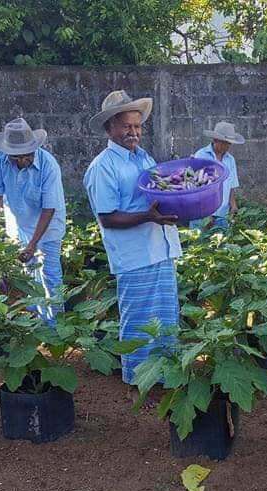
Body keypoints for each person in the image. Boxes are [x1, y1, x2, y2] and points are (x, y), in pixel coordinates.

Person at [83, 90, 182, 403]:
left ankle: (164, 376)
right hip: (135, 256)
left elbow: (156, 193)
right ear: (110, 127)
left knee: (165, 318)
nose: (134, 132)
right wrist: (148, 216)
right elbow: (109, 217)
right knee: (139, 320)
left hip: (159, 249)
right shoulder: (103, 167)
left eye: (137, 127)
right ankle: (139, 383)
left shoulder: (144, 157)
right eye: (126, 126)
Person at [0, 118, 67, 326]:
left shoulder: (48, 165)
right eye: (16, 157)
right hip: (19, 223)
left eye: (27, 155)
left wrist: (33, 243)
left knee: (49, 275)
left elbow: (49, 208)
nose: (22, 160)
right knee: (28, 275)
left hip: (48, 228)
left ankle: (56, 329)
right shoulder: (0, 157)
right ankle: (36, 319)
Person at [190, 121, 245, 231]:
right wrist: (205, 214)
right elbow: (195, 188)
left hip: (222, 215)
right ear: (215, 140)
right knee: (198, 246)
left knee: (222, 246)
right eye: (225, 142)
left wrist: (233, 206)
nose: (227, 146)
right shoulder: (201, 155)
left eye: (229, 143)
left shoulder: (230, 160)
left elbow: (231, 185)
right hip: (201, 214)